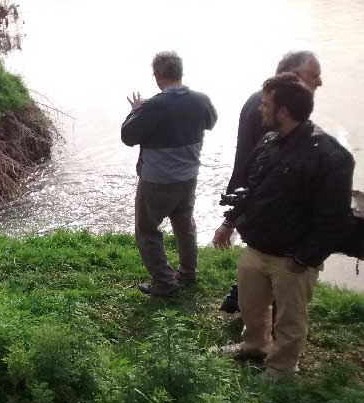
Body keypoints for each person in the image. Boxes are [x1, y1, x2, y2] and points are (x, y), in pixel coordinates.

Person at [218, 73, 354, 376]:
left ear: (283, 111)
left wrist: (305, 258)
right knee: (251, 308)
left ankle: (281, 368)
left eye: (266, 104)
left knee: (290, 320)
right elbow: (252, 187)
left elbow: (333, 219)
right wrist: (230, 222)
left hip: (293, 258)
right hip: (257, 248)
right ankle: (254, 345)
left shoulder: (331, 157)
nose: (260, 109)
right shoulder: (269, 141)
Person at [213, 50, 323, 312]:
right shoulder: (274, 115)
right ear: (294, 77)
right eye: (314, 76)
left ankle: (243, 299)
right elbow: (262, 174)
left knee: (260, 257)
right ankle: (253, 309)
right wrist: (230, 219)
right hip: (267, 210)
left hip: (257, 203)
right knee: (268, 259)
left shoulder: (262, 102)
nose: (319, 83)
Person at [121, 51, 218, 296]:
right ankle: (188, 273)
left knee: (147, 230)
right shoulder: (201, 100)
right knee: (185, 224)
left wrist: (136, 111)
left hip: (156, 180)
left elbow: (128, 137)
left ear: (157, 75)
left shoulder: (154, 106)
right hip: (188, 177)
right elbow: (211, 122)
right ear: (180, 72)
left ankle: (164, 282)